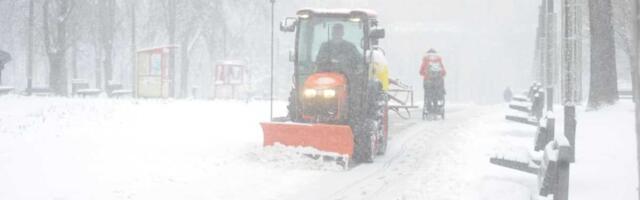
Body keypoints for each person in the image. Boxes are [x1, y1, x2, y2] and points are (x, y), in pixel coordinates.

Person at [420, 49, 446, 115]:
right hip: (438, 83)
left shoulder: (425, 60)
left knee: (428, 94)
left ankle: (429, 107)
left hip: (428, 82)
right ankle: (436, 107)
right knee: (436, 94)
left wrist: (426, 74)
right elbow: (444, 72)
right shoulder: (438, 60)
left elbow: (421, 71)